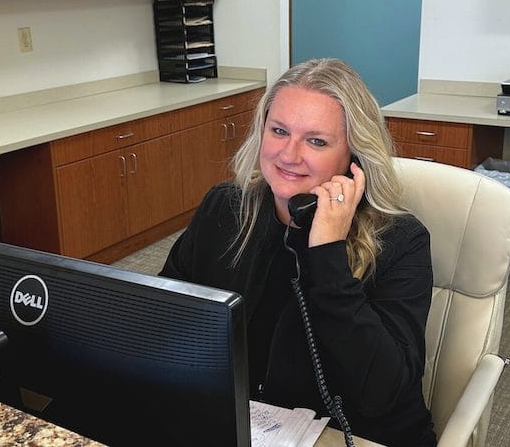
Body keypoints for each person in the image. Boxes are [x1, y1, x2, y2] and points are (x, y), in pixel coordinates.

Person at [160, 58, 436, 446]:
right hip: (246, 425)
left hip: (354, 437)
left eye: (316, 141)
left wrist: (327, 254)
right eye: (279, 131)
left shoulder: (402, 241)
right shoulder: (225, 209)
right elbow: (166, 315)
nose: (289, 155)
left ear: (354, 158)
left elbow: (381, 393)